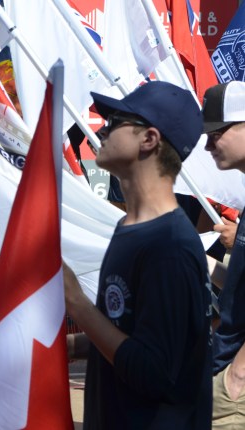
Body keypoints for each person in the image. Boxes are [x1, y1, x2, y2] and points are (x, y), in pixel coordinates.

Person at [63, 81, 212, 429]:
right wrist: (71, 346)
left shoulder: (170, 245)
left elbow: (153, 371)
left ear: (149, 140)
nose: (102, 129)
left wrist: (77, 305)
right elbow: (126, 330)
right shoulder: (132, 227)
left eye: (115, 121)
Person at [202, 81, 245, 429]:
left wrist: (237, 378)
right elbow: (240, 287)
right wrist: (196, 257)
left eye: (216, 132)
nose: (207, 144)